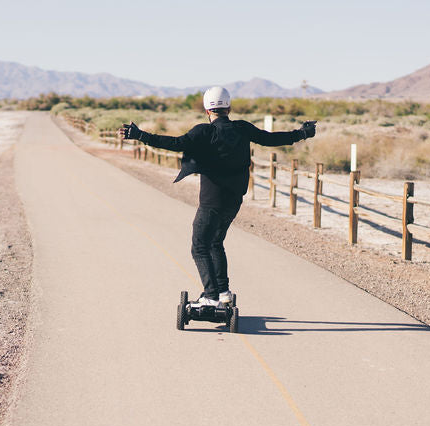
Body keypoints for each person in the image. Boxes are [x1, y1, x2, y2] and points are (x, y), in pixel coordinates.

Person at [119, 86, 316, 307]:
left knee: (199, 246)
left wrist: (140, 136)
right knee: (215, 242)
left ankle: (211, 295)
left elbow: (175, 144)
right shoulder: (242, 128)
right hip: (234, 200)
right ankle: (223, 292)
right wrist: (302, 133)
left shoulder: (204, 132)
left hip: (212, 201)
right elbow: (270, 139)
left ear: (207, 111)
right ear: (229, 108)